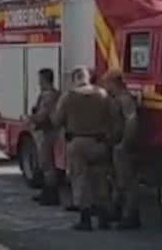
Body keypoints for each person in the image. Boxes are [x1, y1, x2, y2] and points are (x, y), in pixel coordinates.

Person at [54, 66, 117, 231]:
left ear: (74, 79)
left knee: (80, 180)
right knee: (101, 179)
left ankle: (85, 220)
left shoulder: (68, 97)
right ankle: (104, 219)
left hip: (77, 143)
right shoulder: (103, 95)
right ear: (88, 77)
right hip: (99, 143)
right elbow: (114, 117)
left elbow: (57, 121)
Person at [103, 68, 141, 230]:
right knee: (118, 180)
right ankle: (117, 210)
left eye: (107, 83)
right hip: (115, 143)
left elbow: (131, 121)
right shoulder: (116, 98)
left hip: (123, 145)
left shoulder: (125, 99)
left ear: (114, 82)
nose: (105, 86)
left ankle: (131, 215)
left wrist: (124, 143)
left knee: (127, 181)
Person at [28, 68, 60, 206]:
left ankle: (50, 195)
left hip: (48, 132)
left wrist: (30, 118)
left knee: (47, 164)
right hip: (53, 132)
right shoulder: (56, 94)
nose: (38, 83)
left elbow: (42, 116)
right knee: (48, 163)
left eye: (40, 80)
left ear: (44, 80)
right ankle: (47, 193)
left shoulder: (48, 96)